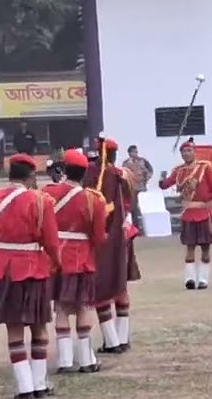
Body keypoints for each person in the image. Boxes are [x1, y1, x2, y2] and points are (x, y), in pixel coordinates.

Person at [0, 154, 60, 399]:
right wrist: (57, 263)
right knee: (39, 326)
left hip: (4, 268)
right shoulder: (42, 202)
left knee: (14, 329)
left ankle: (24, 387)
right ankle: (40, 384)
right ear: (31, 176)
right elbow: (51, 242)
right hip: (34, 267)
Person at [42, 149, 108, 374]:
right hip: (82, 258)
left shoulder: (48, 193)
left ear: (64, 169)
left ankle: (65, 361)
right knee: (84, 307)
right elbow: (99, 237)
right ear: (85, 173)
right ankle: (86, 360)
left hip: (55, 258)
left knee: (60, 307)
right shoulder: (94, 199)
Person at [84, 137, 132, 355]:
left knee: (101, 288)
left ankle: (112, 341)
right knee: (120, 285)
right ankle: (123, 337)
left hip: (102, 237)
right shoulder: (124, 175)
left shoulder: (93, 174)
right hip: (123, 235)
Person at [159, 138, 212, 289]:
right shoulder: (179, 171)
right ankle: (189, 279)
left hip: (203, 211)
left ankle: (203, 279)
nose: (186, 153)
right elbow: (167, 184)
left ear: (194, 152)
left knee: (205, 247)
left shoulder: (205, 167)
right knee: (189, 247)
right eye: (183, 151)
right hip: (188, 212)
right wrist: (161, 181)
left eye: (189, 151)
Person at [122, 145, 153, 226]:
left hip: (142, 187)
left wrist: (146, 179)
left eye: (136, 152)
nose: (135, 154)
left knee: (144, 207)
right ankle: (137, 226)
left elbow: (150, 170)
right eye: (133, 152)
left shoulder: (143, 161)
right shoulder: (126, 163)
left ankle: (147, 225)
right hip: (132, 188)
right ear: (129, 153)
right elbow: (123, 174)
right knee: (134, 207)